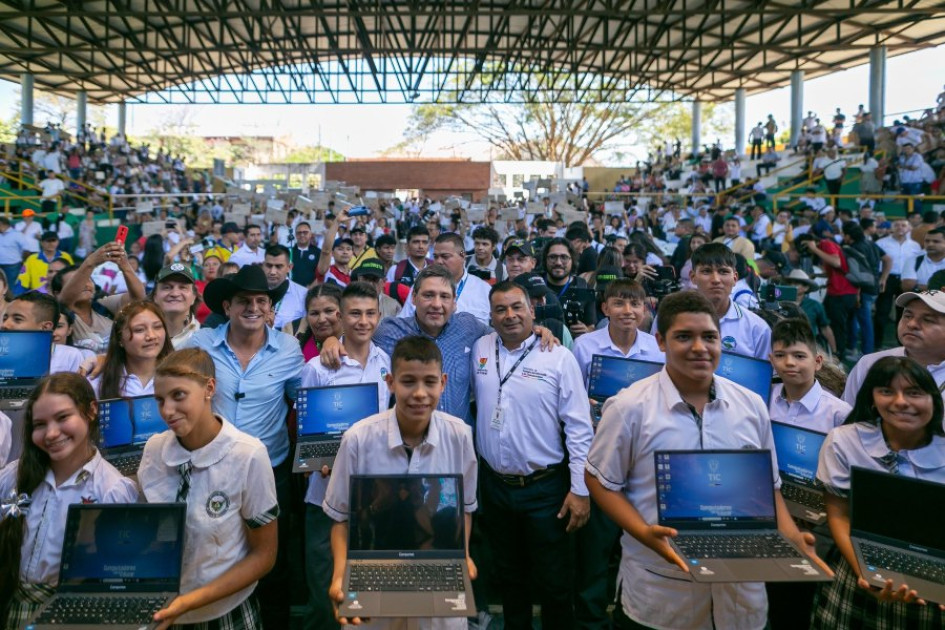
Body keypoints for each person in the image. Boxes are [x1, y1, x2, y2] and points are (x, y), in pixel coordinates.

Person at [585, 291, 827, 630]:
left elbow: (768, 487)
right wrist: (643, 532)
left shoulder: (751, 405)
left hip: (742, 595)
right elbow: (600, 480)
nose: (700, 347)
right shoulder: (629, 408)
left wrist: (791, 538)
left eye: (709, 337)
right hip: (662, 593)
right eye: (684, 337)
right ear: (660, 341)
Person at [324, 336, 478, 628]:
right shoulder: (358, 439)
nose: (419, 393)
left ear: (443, 383)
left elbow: (465, 509)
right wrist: (340, 574)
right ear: (390, 382)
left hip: (437, 565)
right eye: (408, 382)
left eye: (429, 382)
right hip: (372, 566)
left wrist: (463, 555)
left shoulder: (460, 436)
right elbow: (341, 519)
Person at [183, 263, 302, 630]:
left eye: (260, 301)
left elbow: (302, 403)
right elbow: (162, 366)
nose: (253, 308)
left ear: (270, 307)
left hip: (271, 471)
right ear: (228, 307)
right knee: (220, 552)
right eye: (243, 301)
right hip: (212, 468)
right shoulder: (200, 344)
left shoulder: (289, 349)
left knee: (272, 563)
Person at [473, 281, 594, 630]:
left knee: (555, 584)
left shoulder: (557, 357)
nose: (509, 315)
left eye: (516, 307)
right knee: (511, 581)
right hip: (495, 487)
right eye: (500, 309)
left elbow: (578, 428)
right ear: (491, 316)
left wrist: (579, 489)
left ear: (532, 310)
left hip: (545, 488)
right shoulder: (480, 347)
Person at [138, 348, 278, 627]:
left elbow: (264, 555)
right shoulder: (154, 449)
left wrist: (189, 602)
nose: (167, 410)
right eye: (160, 400)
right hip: (164, 609)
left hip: (224, 611)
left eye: (179, 395)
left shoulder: (247, 454)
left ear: (209, 388)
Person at [809, 356, 945, 629]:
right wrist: (868, 574)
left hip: (934, 577)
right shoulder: (844, 441)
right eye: (886, 391)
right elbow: (838, 516)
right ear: (872, 398)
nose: (901, 401)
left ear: (934, 400)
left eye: (914, 392)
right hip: (859, 569)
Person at [0, 373, 138, 627]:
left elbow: (114, 574)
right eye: (39, 424)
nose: (51, 433)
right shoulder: (14, 475)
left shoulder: (111, 490)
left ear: (91, 411)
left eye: (63, 418)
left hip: (69, 617)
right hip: (9, 606)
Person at [299, 282, 391, 630]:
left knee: (366, 594)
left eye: (370, 314)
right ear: (341, 317)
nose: (362, 321)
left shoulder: (387, 364)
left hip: (374, 496)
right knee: (324, 596)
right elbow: (306, 431)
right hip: (325, 496)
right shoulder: (319, 368)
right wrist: (315, 461)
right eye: (354, 313)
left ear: (379, 317)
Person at [653, 242, 771, 359]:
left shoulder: (757, 328)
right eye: (706, 271)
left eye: (723, 272)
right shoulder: (667, 317)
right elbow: (655, 361)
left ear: (735, 278)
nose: (716, 279)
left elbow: (764, 374)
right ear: (693, 277)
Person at [842, 290, 945, 404]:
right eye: (907, 315)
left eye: (927, 320)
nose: (911, 324)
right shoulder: (870, 364)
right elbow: (847, 416)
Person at [58, 241, 146, 352]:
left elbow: (138, 298)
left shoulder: (103, 305)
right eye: (78, 281)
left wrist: (124, 265)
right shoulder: (61, 315)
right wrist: (90, 262)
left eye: (88, 279)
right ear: (59, 292)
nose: (85, 284)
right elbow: (65, 300)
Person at [399, 233, 492, 325]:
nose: (439, 261)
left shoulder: (484, 290)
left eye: (445, 256)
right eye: (435, 257)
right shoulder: (420, 286)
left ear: (463, 256)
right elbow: (402, 324)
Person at [90, 300, 174, 399]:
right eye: (139, 330)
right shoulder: (99, 383)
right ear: (120, 338)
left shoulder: (180, 376)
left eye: (157, 327)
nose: (151, 336)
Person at [799, 228, 858, 361]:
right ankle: (837, 351)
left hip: (840, 292)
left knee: (835, 325)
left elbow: (836, 262)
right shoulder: (826, 246)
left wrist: (814, 249)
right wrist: (817, 275)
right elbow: (837, 268)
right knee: (835, 323)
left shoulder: (826, 244)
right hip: (842, 291)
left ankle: (838, 355)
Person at [1, 292, 88, 374]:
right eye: (4, 318)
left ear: (45, 327)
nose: (5, 325)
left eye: (17, 319)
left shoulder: (69, 356)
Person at [285, 283, 344, 361]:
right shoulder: (296, 348)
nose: (322, 319)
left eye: (329, 311)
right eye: (315, 313)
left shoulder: (359, 343)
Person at [151, 263, 200, 348]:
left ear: (193, 297)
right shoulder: (142, 336)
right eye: (167, 287)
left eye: (183, 287)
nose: (175, 293)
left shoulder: (205, 336)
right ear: (155, 296)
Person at [263, 244, 308, 330]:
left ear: (289, 267)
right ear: (263, 265)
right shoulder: (253, 292)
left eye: (278, 266)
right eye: (269, 266)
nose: (272, 272)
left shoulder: (303, 295)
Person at [902, 226, 945, 292]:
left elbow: (913, 287)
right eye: (927, 241)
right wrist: (939, 288)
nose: (930, 244)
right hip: (919, 301)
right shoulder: (913, 260)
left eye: (936, 241)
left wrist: (918, 286)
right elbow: (907, 286)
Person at [289, 221, 320, 287]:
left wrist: (311, 287)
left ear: (310, 234)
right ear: (295, 235)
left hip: (310, 291)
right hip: (290, 289)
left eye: (305, 232)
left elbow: (321, 274)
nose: (302, 235)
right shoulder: (289, 252)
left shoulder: (318, 252)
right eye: (299, 233)